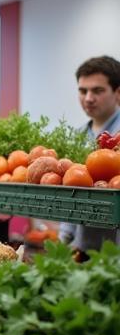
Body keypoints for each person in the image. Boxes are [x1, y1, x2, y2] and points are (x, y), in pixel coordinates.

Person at [58, 55, 120, 256]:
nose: (88, 98)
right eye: (83, 91)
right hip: (84, 248)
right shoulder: (77, 138)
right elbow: (72, 193)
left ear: (118, 93)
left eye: (97, 90)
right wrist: (63, 240)